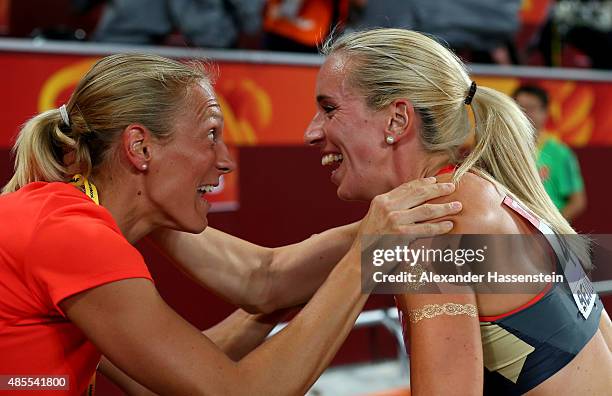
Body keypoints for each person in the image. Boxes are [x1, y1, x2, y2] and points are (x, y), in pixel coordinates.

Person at [0, 52, 462, 395]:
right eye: (211, 136)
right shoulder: (74, 236)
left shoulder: (70, 216)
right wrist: (373, 246)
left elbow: (262, 282)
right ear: (140, 149)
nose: (225, 162)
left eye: (329, 108)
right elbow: (236, 392)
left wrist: (374, 240)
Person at [299, 28, 612, 395]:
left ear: (397, 120)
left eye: (329, 108)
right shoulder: (483, 191)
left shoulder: (436, 225)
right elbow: (267, 278)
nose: (310, 132)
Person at [513, 84, 587, 222]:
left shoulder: (560, 153)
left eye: (531, 108)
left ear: (545, 112)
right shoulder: (503, 148)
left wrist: (551, 227)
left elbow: (577, 202)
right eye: (519, 107)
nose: (524, 113)